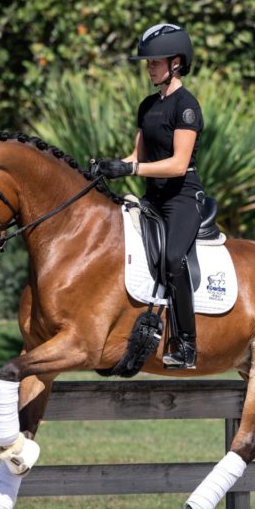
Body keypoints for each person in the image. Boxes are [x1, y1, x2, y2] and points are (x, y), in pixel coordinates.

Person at [94, 23, 205, 370]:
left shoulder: (186, 107)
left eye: (155, 61)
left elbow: (176, 164)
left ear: (176, 63)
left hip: (183, 198)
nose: (149, 67)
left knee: (174, 258)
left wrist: (132, 170)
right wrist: (106, 168)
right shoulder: (147, 105)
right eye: (147, 62)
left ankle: (186, 344)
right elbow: (135, 156)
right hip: (152, 199)